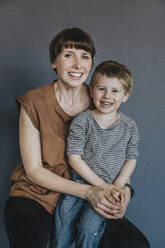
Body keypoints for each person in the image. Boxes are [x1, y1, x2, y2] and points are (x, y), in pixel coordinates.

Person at [4, 27, 150, 248]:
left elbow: (119, 156)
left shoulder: (102, 99)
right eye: (68, 55)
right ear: (54, 61)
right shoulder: (33, 103)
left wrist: (125, 192)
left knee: (136, 244)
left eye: (85, 56)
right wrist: (89, 191)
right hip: (37, 196)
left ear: (91, 64)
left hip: (92, 195)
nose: (77, 65)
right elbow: (33, 170)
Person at [55, 60, 139, 248]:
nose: (107, 96)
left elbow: (131, 159)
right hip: (79, 182)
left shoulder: (129, 126)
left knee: (89, 227)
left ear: (125, 95)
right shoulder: (82, 121)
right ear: (92, 91)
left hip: (110, 186)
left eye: (115, 91)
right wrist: (99, 185)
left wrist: (116, 187)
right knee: (62, 225)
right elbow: (74, 157)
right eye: (101, 89)